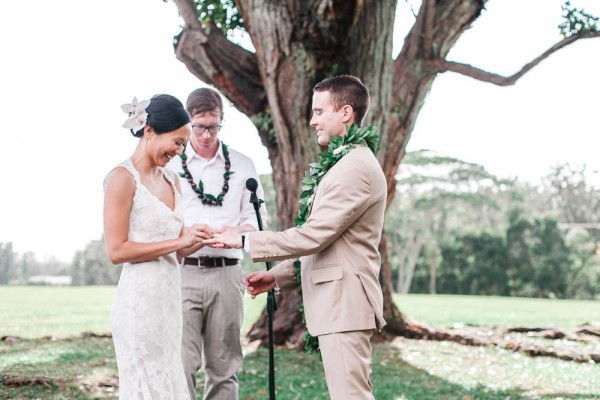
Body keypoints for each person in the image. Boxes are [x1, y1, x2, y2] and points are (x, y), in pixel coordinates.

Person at [205, 75, 387, 400]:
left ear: (345, 112)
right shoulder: (343, 164)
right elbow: (328, 243)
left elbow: (314, 235)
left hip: (344, 302)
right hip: (336, 303)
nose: (312, 119)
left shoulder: (356, 167)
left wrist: (246, 240)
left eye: (319, 111)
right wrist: (276, 276)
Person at [104, 94, 213, 400]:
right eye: (177, 142)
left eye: (183, 145)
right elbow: (117, 251)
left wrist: (196, 238)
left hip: (168, 303)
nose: (179, 152)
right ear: (149, 130)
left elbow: (176, 249)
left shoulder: (172, 181)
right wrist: (179, 240)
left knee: (170, 382)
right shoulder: (122, 179)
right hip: (139, 305)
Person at [167, 87, 266, 400]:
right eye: (199, 127)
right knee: (181, 363)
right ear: (188, 123)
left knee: (224, 365)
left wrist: (234, 233)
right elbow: (162, 220)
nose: (207, 134)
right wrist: (188, 234)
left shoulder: (243, 164)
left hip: (227, 272)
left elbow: (258, 220)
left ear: (222, 122)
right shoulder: (171, 165)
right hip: (182, 271)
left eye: (214, 126)